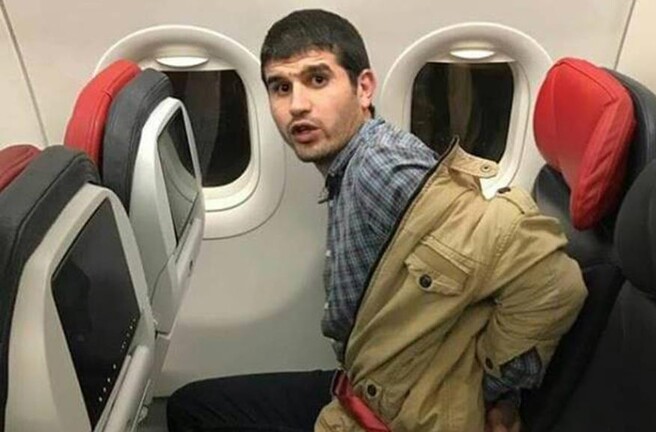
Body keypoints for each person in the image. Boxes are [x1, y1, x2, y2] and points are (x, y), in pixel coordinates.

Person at [167, 9, 586, 432]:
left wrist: (497, 393)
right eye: (281, 87)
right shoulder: (349, 167)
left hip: (407, 411)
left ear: (363, 87)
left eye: (317, 79)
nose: (297, 105)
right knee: (192, 405)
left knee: (197, 415)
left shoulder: (380, 169)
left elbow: (551, 281)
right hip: (371, 386)